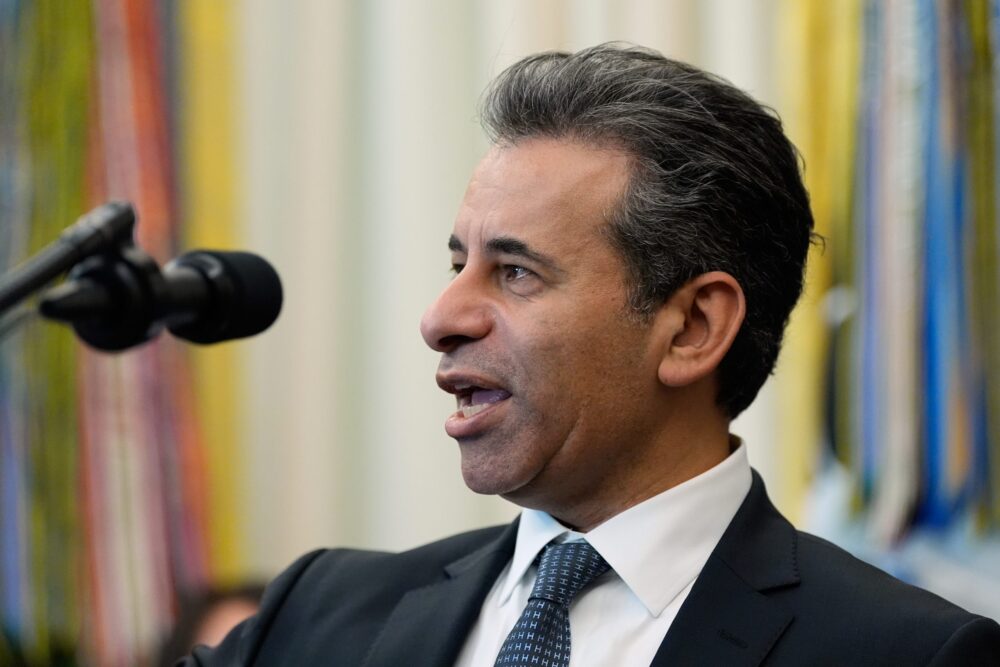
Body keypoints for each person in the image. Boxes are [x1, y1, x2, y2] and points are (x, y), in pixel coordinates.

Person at [182, 44, 1000, 666]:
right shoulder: (314, 614)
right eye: (456, 263)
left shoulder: (908, 652)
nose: (441, 318)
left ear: (692, 327)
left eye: (515, 272)